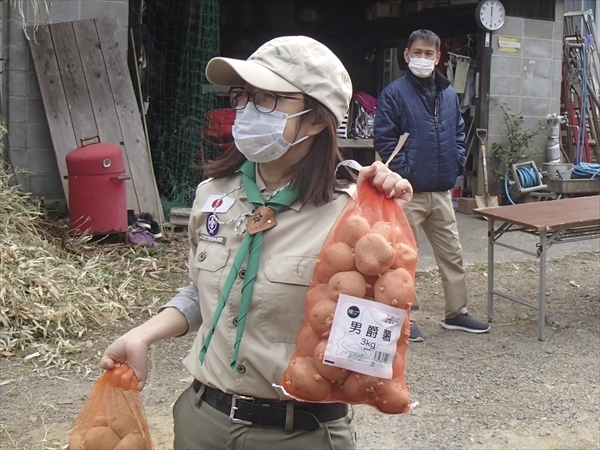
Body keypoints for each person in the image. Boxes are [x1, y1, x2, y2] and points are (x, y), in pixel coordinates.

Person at [101, 35, 413, 449]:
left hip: (298, 433)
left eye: (267, 97)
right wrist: (142, 334)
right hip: (202, 422)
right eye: (243, 96)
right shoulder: (214, 195)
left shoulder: (353, 217)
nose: (247, 110)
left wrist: (383, 217)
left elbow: (372, 332)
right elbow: (205, 292)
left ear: (318, 119)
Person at [373, 29, 490, 342]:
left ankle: (457, 313)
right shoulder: (394, 93)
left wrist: (455, 165)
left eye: (429, 54)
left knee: (452, 253)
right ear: (407, 55)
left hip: (440, 191)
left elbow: (457, 134)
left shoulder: (448, 93)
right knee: (402, 258)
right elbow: (384, 138)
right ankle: (401, 318)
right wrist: (405, 172)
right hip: (406, 193)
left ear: (439, 58)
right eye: (418, 53)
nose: (423, 58)